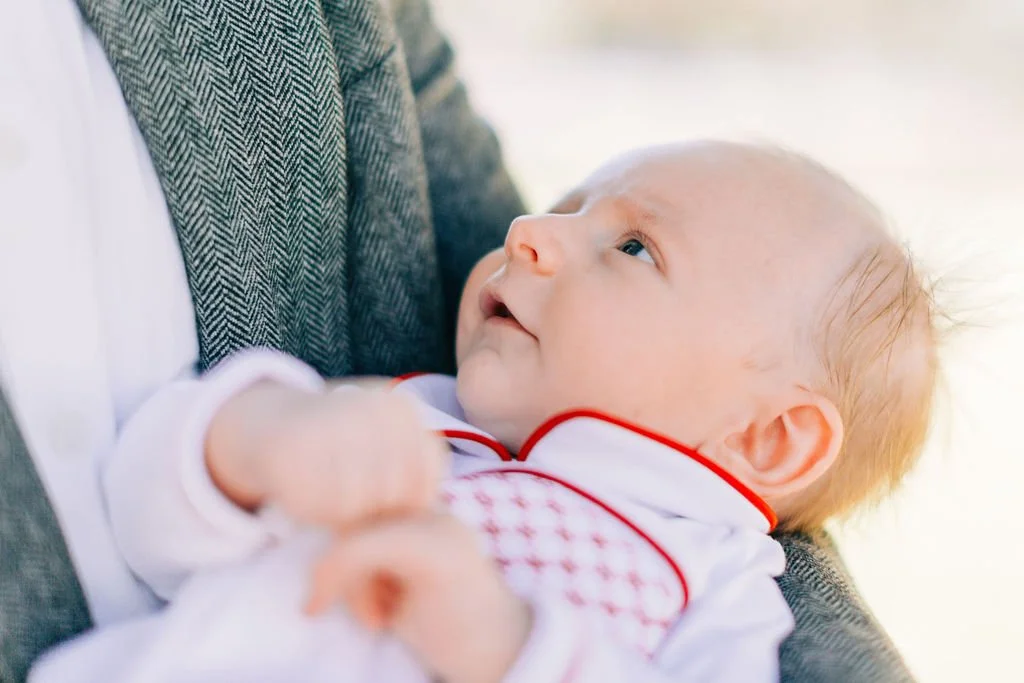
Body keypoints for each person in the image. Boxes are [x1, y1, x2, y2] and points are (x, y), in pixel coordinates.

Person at [0, 1, 914, 681]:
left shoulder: (706, 578)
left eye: (633, 246)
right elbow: (145, 525)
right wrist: (251, 440)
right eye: (564, 209)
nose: (528, 231)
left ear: (770, 437)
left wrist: (505, 641)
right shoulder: (403, 418)